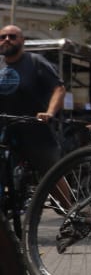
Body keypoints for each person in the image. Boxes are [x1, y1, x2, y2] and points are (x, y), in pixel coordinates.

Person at [0, 24, 67, 177]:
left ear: (22, 40)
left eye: (12, 36)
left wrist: (49, 113)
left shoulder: (35, 61)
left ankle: (67, 202)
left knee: (51, 175)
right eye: (2, 37)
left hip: (34, 129)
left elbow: (59, 88)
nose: (7, 40)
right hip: (5, 129)